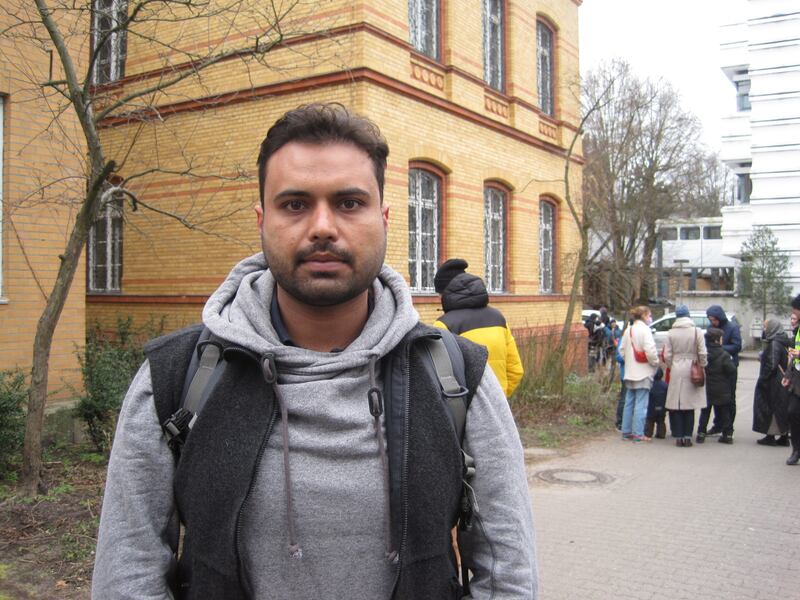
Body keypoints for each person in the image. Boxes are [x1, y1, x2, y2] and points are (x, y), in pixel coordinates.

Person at [91, 104, 538, 599]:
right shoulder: (176, 379)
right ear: (262, 220)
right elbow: (127, 575)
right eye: (295, 204)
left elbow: (507, 571)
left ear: (385, 218)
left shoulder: (458, 379)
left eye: (349, 203)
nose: (323, 226)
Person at [433, 258, 524, 397]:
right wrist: (500, 397)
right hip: (499, 407)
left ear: (446, 293)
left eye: (439, 294)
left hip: (464, 411)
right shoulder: (498, 318)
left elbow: (438, 378)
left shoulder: (444, 325)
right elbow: (516, 371)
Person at [664, 304, 708, 447]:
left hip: (677, 367)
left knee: (676, 404)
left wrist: (672, 366)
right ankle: (688, 437)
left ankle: (678, 436)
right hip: (693, 366)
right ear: (688, 316)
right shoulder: (697, 331)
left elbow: (667, 355)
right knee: (689, 404)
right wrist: (702, 365)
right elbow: (702, 352)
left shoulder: (671, 333)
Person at [619, 305, 660, 442]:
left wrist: (629, 361)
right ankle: (638, 433)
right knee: (641, 404)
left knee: (629, 402)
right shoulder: (645, 330)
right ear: (643, 316)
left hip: (630, 371)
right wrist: (655, 363)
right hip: (643, 371)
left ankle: (626, 431)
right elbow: (651, 351)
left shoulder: (628, 330)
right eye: (649, 315)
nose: (650, 318)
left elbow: (622, 351)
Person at [753, 318, 791, 447]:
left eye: (766, 327)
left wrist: (763, 379)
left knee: (771, 407)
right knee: (781, 407)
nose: (764, 330)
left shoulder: (774, 343)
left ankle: (771, 436)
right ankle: (784, 436)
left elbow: (772, 364)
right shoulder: (782, 340)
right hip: (781, 379)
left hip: (774, 381)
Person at [705, 305, 742, 436]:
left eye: (714, 319)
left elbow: (737, 346)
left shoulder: (732, 327)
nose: (712, 322)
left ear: (720, 318)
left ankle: (728, 427)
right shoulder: (711, 328)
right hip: (715, 367)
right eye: (710, 319)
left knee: (729, 398)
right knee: (715, 398)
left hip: (729, 366)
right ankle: (718, 424)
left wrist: (720, 349)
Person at [697, 328, 737, 445]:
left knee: (705, 411)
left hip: (707, 387)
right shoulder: (724, 354)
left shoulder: (704, 353)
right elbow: (731, 369)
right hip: (722, 387)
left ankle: (701, 433)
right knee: (725, 411)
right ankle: (727, 434)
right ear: (717, 340)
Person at [781, 294, 800, 465]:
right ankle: (796, 450)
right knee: (792, 412)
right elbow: (793, 356)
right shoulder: (798, 331)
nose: (794, 312)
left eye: (796, 309)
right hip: (797, 379)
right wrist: (787, 375)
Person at [644, 367, 668, 439]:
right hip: (662, 407)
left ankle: (648, 433)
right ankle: (661, 433)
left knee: (650, 421)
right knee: (661, 421)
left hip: (651, 407)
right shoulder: (665, 385)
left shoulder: (650, 384)